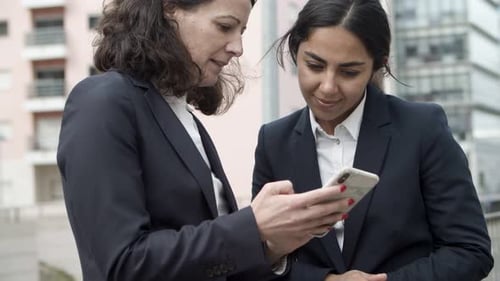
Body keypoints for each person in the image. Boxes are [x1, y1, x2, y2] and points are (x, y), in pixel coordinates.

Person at [56, 0, 353, 281]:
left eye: (242, 32)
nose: (237, 48)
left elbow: (210, 261)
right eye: (225, 27)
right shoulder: (103, 102)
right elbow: (122, 264)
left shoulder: (185, 119)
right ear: (170, 9)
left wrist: (271, 245)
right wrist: (253, 226)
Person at [251, 0, 494, 280]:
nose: (328, 87)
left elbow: (470, 251)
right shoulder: (273, 141)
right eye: (315, 65)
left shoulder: (422, 129)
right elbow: (262, 257)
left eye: (349, 72)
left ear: (377, 66)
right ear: (296, 52)